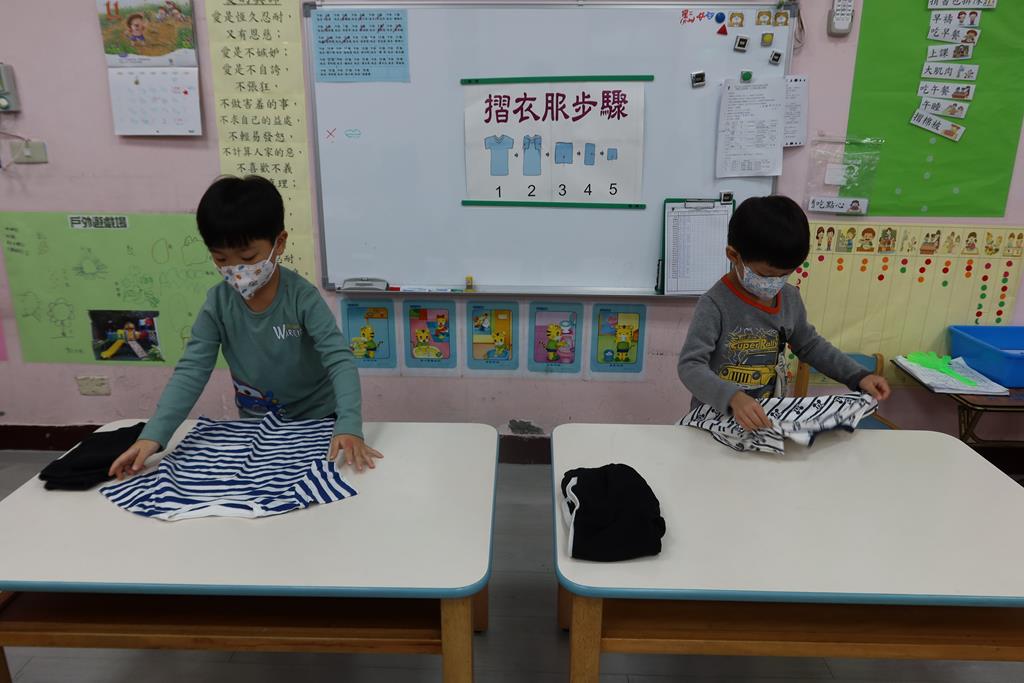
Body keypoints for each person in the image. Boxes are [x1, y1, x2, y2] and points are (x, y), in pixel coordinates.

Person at [109, 175, 382, 478]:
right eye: (220, 258)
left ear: (279, 243)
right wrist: (154, 435)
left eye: (248, 257)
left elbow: (339, 360)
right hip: (254, 426)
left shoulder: (302, 297)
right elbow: (192, 370)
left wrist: (349, 425)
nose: (235, 269)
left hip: (317, 422)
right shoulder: (217, 303)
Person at [677, 195, 890, 431]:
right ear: (733, 256)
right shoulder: (714, 304)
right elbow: (690, 366)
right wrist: (732, 397)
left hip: (765, 419)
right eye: (766, 275)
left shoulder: (789, 298)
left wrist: (857, 376)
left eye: (784, 275)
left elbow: (810, 346)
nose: (775, 283)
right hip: (713, 419)